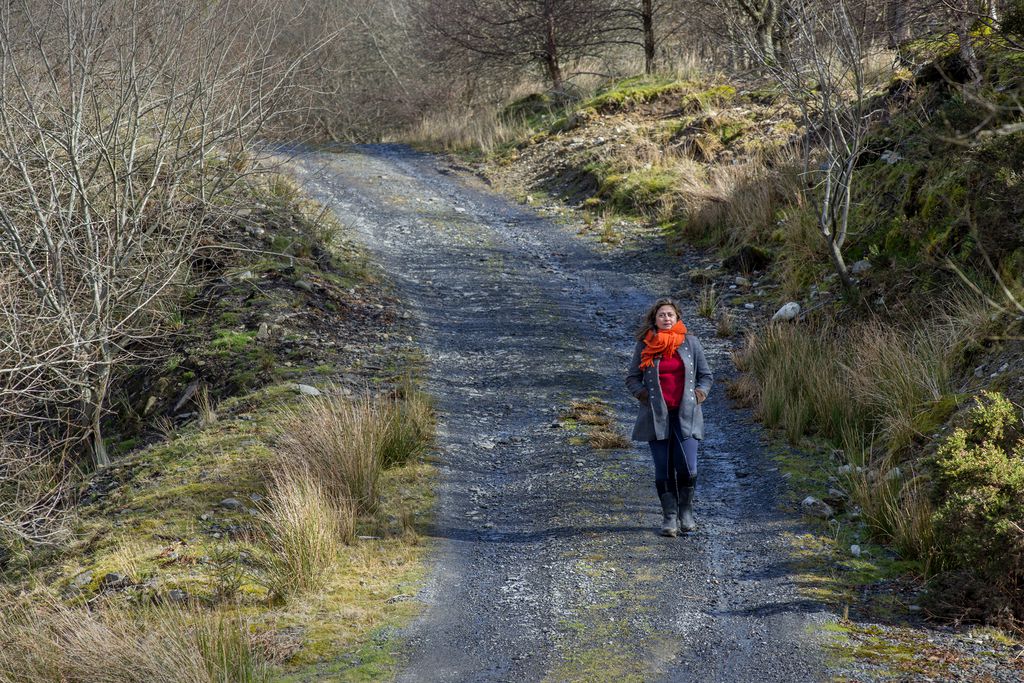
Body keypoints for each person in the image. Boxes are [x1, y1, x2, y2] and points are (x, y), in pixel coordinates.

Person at [625, 297, 713, 537]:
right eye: (662, 315)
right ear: (655, 318)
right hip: (656, 416)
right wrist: (644, 396)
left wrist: (699, 395)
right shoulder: (645, 345)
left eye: (670, 315)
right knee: (663, 468)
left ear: (677, 318)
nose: (666, 318)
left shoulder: (691, 343)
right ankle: (670, 517)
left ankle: (686, 511)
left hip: (687, 414)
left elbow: (706, 375)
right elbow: (632, 378)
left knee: (687, 466)